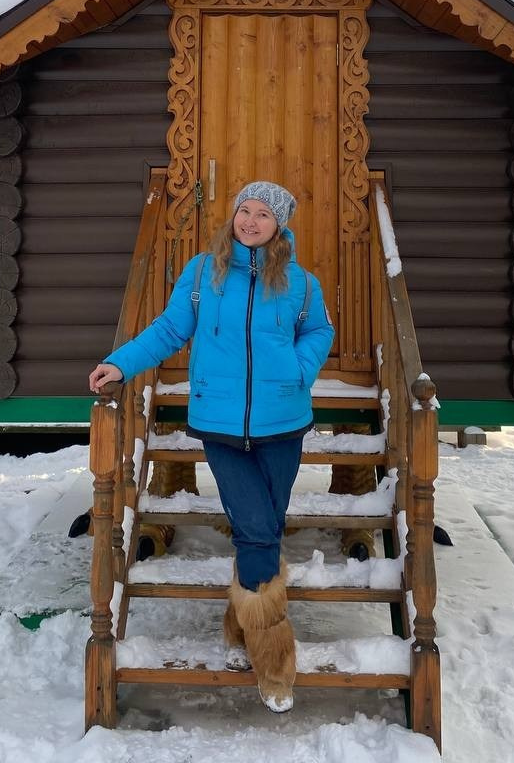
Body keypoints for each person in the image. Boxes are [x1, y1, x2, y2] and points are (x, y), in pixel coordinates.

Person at [89, 181, 334, 714]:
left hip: (283, 423)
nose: (249, 221)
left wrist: (299, 368)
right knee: (254, 529)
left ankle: (239, 623)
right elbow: (169, 329)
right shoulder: (204, 273)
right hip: (221, 424)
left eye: (262, 214)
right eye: (243, 210)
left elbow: (319, 331)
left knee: (264, 530)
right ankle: (274, 664)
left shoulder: (301, 284)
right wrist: (121, 363)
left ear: (279, 224)